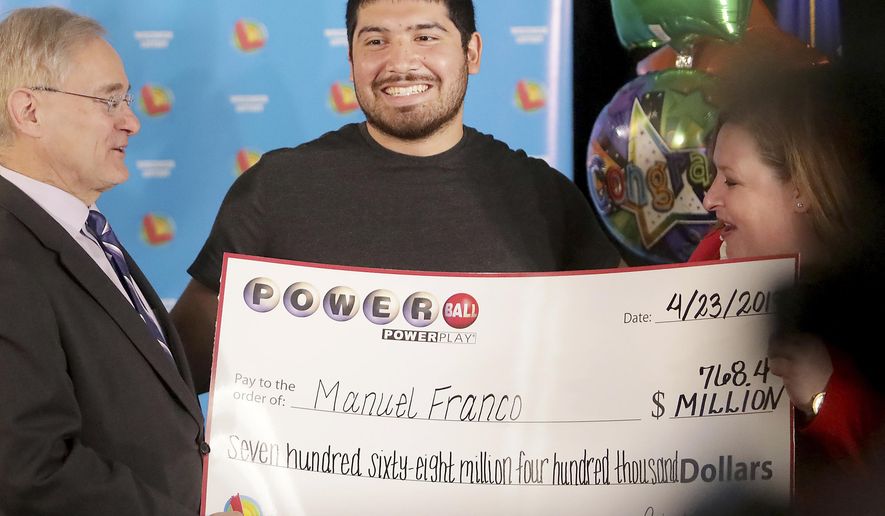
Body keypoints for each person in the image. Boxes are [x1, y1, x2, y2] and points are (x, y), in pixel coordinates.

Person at [172, 0, 621, 393]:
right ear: (350, 59)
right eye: (375, 42)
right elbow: (173, 379)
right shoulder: (275, 188)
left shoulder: (544, 197)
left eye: (426, 36)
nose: (401, 62)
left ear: (472, 52)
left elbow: (623, 350)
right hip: (318, 484)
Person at [0, 7, 220, 515]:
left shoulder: (81, 231)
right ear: (29, 111)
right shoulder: (9, 254)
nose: (132, 121)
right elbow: (29, 470)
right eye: (108, 100)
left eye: (127, 99)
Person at [689, 64, 885, 480]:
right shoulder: (710, 260)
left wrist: (825, 394)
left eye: (731, 181)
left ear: (802, 191)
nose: (709, 199)